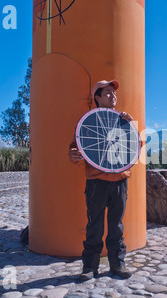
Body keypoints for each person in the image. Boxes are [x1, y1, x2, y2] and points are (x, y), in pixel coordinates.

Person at [69, 80, 134, 280]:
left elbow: (134, 148)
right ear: (97, 97)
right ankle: (90, 267)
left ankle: (117, 264)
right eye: (107, 92)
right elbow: (76, 145)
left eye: (114, 93)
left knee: (116, 226)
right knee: (94, 226)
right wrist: (72, 154)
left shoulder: (124, 121)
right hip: (96, 181)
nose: (113, 95)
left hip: (120, 181)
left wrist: (129, 125)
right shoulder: (88, 123)